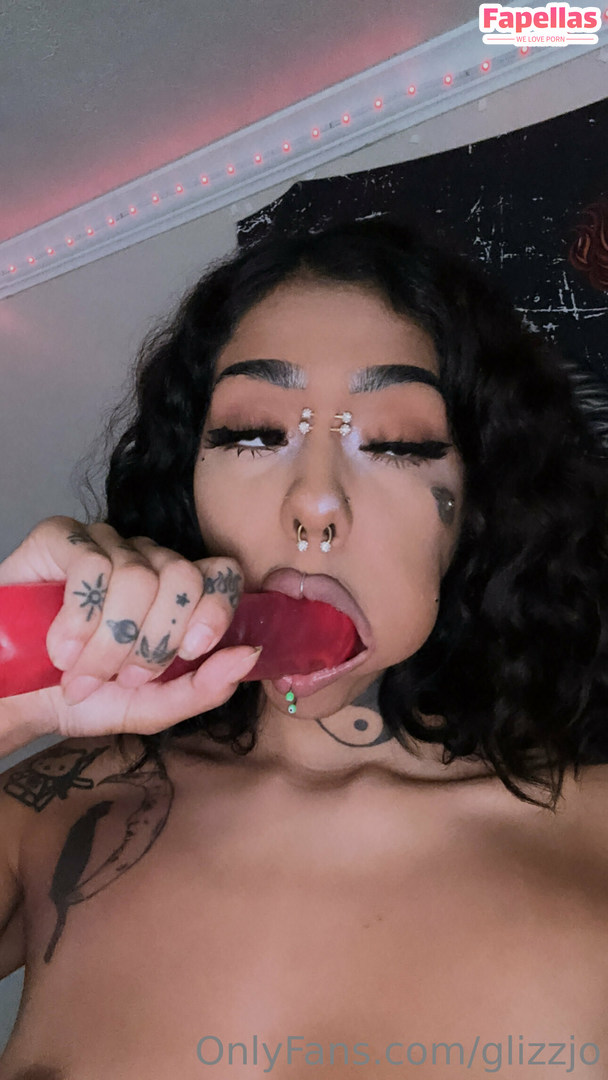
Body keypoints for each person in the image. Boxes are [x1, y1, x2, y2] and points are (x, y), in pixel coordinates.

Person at [0, 216, 607, 1079]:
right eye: (253, 433)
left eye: (395, 443)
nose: (314, 503)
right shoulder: (55, 808)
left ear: (477, 506)